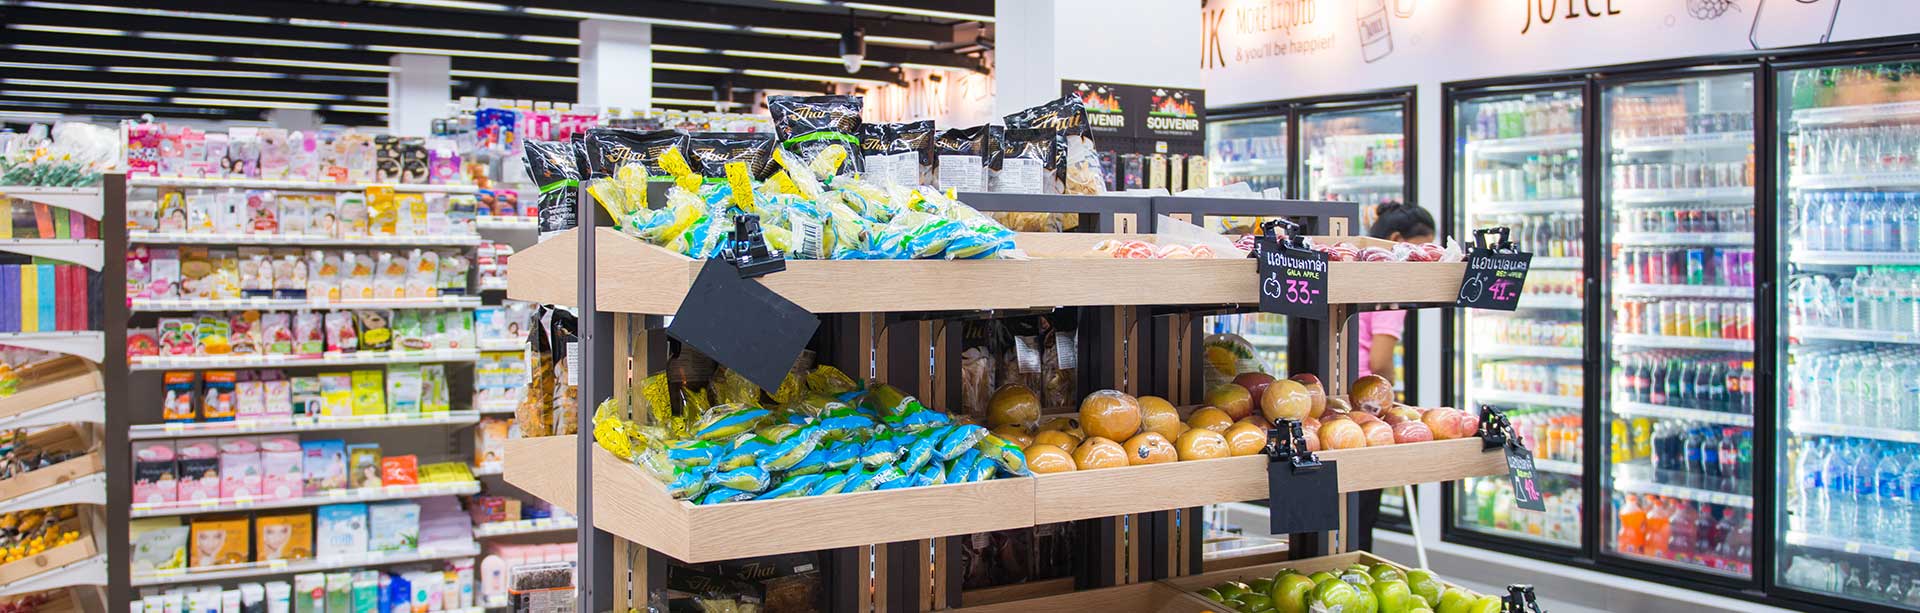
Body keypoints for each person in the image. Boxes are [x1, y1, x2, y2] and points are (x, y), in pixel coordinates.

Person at [1353, 201, 1435, 552]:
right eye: (1422, 249)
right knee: (1364, 508)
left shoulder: (1354, 270)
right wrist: (1394, 397)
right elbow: (1380, 359)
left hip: (1334, 397)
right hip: (1367, 406)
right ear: (1397, 240)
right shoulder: (1390, 290)